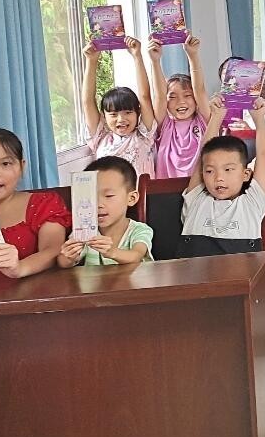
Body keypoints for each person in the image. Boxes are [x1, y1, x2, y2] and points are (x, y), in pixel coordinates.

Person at [0, 128, 69, 279]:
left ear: (22, 166)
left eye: (5, 163)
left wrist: (19, 268)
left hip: (35, 293)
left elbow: (53, 250)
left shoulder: (44, 204)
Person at [179, 95, 265, 257]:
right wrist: (216, 117)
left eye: (228, 169)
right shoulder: (196, 199)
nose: (218, 178)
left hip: (240, 272)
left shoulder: (252, 202)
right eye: (210, 171)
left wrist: (259, 118)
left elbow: (263, 155)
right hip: (195, 272)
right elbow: (203, 156)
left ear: (245, 174)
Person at [58, 156, 153, 267]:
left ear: (131, 198)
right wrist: (68, 257)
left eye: (109, 196)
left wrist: (113, 252)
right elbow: (63, 263)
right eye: (91, 197)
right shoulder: (85, 231)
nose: (98, 204)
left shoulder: (139, 230)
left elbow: (136, 256)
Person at [83, 37, 157, 177]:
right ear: (103, 116)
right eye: (113, 114)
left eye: (128, 112)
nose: (121, 119)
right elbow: (87, 102)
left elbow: (145, 97)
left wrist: (137, 56)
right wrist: (91, 61)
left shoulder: (144, 136)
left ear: (138, 113)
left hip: (142, 192)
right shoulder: (100, 138)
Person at [146, 35, 211, 180]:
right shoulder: (165, 125)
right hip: (168, 189)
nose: (181, 102)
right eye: (173, 97)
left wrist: (193, 56)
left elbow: (199, 89)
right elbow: (160, 95)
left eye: (187, 95)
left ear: (195, 100)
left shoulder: (203, 121)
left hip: (199, 189)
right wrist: (155, 61)